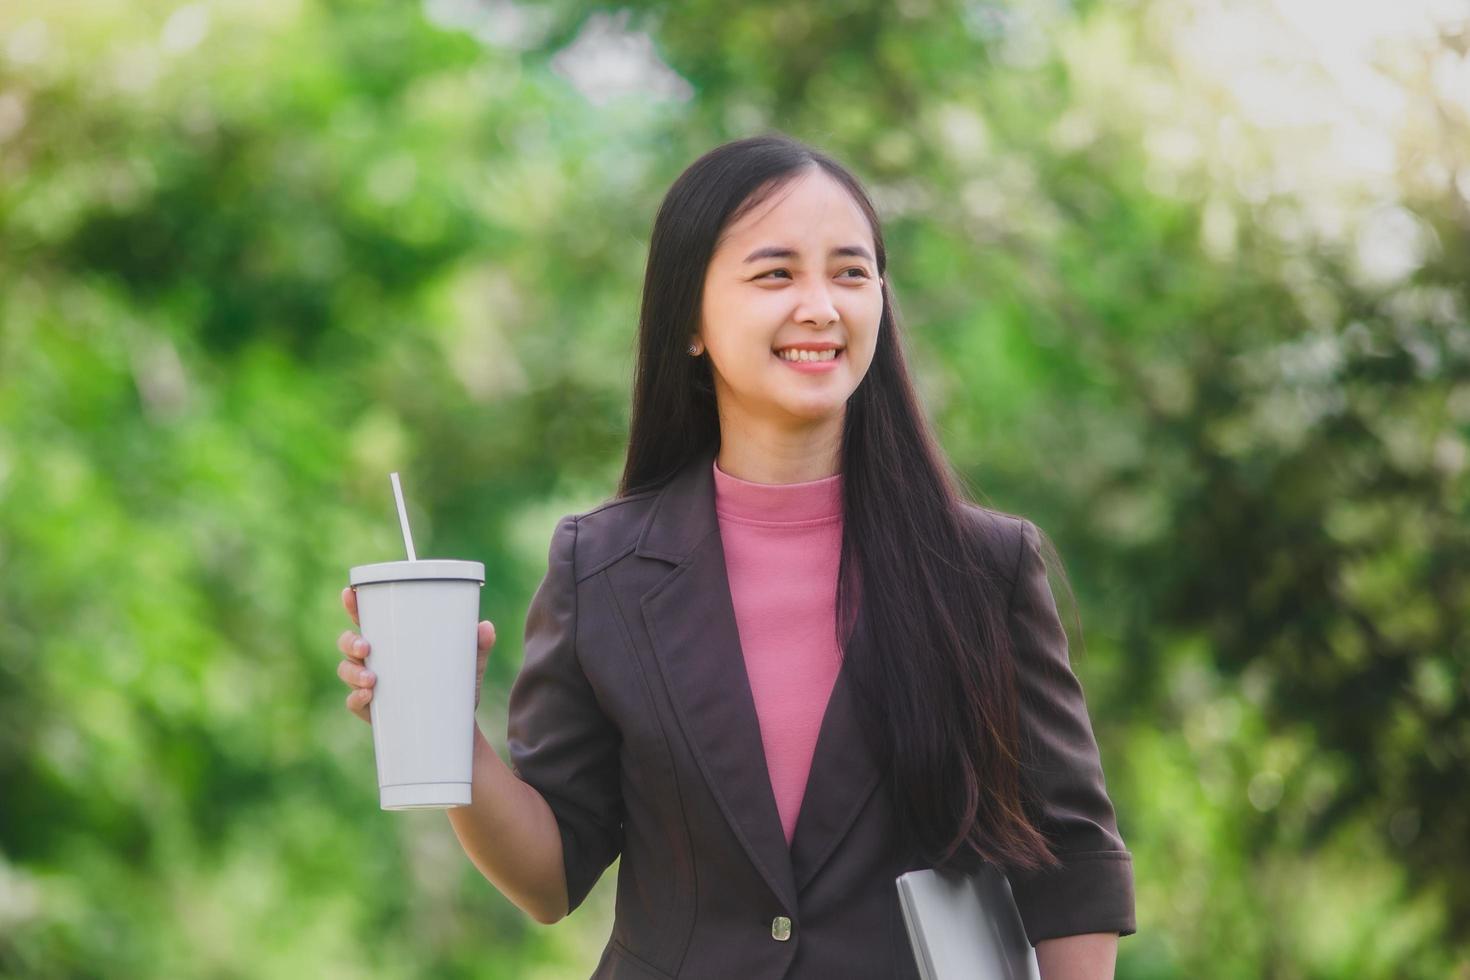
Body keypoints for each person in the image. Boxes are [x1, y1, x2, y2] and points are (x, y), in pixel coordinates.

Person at [335, 133, 1135, 979]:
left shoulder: (982, 571)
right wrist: (447, 733)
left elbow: (1073, 858)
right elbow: (549, 875)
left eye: (851, 272)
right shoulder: (600, 566)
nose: (821, 306)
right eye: (776, 273)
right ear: (689, 320)